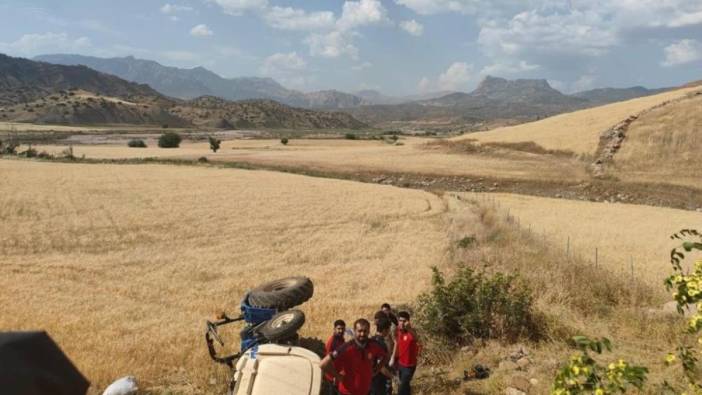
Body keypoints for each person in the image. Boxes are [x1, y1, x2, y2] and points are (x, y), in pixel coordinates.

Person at [320, 319, 388, 395]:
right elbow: (323, 364)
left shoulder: (374, 345)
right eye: (360, 331)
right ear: (355, 331)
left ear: (369, 331)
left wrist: (376, 370)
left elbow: (385, 356)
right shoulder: (346, 347)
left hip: (366, 391)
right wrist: (337, 376)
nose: (362, 334)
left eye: (365, 331)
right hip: (347, 392)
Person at [393, 311, 420, 395]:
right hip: (400, 363)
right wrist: (393, 358)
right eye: (400, 320)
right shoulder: (397, 330)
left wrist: (408, 328)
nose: (402, 323)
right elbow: (395, 342)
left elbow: (416, 338)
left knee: (401, 388)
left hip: (409, 366)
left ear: (408, 321)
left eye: (404, 321)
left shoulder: (411, 332)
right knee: (405, 386)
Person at [370, 316, 394, 395]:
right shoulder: (380, 344)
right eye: (388, 329)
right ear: (384, 330)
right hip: (378, 381)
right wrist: (391, 376)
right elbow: (381, 367)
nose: (389, 332)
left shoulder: (371, 340)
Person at [324, 320, 347, 394]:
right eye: (339, 329)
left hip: (339, 376)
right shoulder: (332, 342)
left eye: (342, 329)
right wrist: (334, 376)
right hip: (333, 377)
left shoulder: (341, 340)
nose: (341, 331)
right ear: (334, 329)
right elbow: (328, 361)